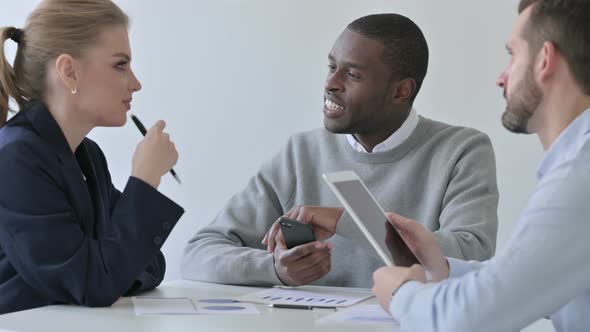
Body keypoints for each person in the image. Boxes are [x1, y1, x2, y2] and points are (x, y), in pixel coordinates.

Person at [182, 14, 499, 288]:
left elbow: (469, 256)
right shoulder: (301, 153)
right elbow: (199, 253)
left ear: (401, 91)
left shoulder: (461, 150)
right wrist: (277, 270)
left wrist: (348, 220)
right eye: (331, 66)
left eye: (352, 74)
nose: (330, 83)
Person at [372, 1, 590, 331]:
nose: (502, 78)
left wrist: (401, 294)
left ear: (545, 59)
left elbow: (464, 322)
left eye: (513, 54)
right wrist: (441, 266)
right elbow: (525, 281)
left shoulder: (580, 177)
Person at [0, 0, 184, 314]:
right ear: (69, 72)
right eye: (120, 65)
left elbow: (149, 263)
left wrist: (110, 271)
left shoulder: (88, 156)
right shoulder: (16, 159)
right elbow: (96, 282)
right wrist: (144, 181)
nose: (136, 84)